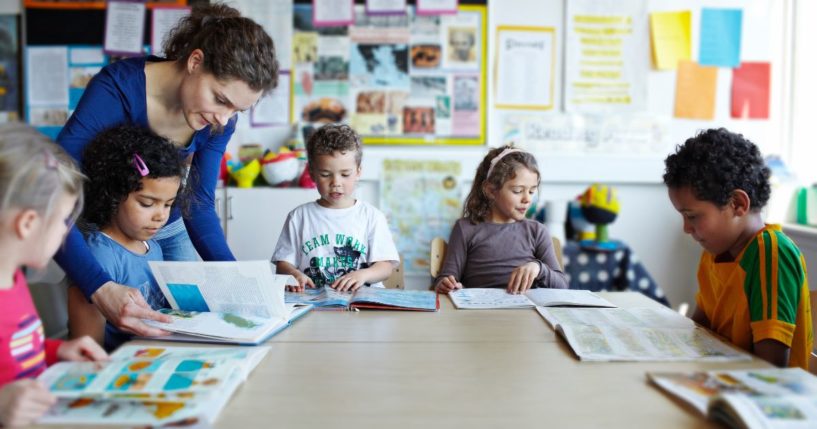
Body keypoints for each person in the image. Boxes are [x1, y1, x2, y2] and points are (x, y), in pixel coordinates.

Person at [54, 3, 279, 338]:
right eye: (220, 99)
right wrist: (99, 287)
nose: (223, 118)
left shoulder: (220, 121)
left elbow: (198, 204)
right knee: (108, 325)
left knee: (190, 328)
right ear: (195, 61)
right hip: (104, 225)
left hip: (169, 228)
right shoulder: (116, 89)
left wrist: (240, 284)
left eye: (236, 110)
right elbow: (53, 193)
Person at [663, 128, 813, 369]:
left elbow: (770, 366)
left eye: (692, 216)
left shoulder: (771, 253)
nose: (686, 228)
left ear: (737, 204)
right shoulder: (715, 252)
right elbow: (700, 328)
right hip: (720, 376)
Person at [0, 124, 107, 426]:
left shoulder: (14, 280)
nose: (66, 232)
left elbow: (15, 354)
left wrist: (57, 351)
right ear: (27, 223)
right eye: (63, 220)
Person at [68, 125, 186, 351]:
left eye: (169, 205)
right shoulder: (99, 254)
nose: (160, 215)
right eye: (147, 204)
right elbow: (88, 347)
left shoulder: (151, 245)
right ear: (114, 194)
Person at [272, 124, 399, 292]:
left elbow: (385, 267)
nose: (336, 183)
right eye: (325, 175)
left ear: (358, 172)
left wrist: (363, 275)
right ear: (312, 173)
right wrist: (294, 274)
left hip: (361, 304)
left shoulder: (372, 216)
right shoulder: (299, 217)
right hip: (314, 304)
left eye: (345, 174)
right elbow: (283, 264)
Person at [435, 146, 568, 294]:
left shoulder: (537, 231)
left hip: (526, 314)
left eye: (532, 191)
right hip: (478, 313)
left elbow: (562, 286)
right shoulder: (465, 228)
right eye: (517, 191)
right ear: (491, 190)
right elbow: (446, 278)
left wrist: (539, 268)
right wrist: (447, 284)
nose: (527, 199)